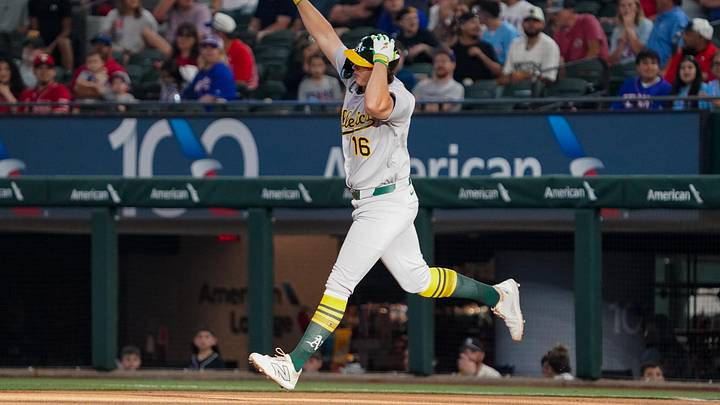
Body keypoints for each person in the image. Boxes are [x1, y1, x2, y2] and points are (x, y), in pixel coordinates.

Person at [248, 0, 524, 390]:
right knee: (419, 281)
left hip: (386, 201)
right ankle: (497, 296)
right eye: (358, 63)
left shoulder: (400, 96)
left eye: (364, 64)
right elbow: (324, 33)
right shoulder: (356, 77)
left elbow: (377, 104)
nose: (354, 67)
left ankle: (293, 363)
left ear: (382, 67)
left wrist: (379, 64)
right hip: (374, 199)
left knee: (340, 283)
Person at [500, 6, 560, 84]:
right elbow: (506, 73)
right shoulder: (515, 43)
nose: (531, 24)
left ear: (543, 24)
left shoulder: (550, 45)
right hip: (515, 91)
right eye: (527, 21)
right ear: (522, 24)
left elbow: (549, 78)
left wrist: (525, 75)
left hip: (541, 93)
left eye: (535, 21)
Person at [102, 0, 172, 59]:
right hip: (117, 51)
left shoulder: (146, 16)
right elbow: (104, 38)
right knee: (104, 45)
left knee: (148, 33)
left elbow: (155, 40)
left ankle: (174, 57)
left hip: (139, 53)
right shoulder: (113, 14)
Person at [209, 12, 259, 91]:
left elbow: (242, 83)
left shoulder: (242, 51)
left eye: (212, 31)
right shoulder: (214, 49)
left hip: (241, 96)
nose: (209, 34)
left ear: (220, 34)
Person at [71, 34, 126, 101]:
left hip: (105, 106)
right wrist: (95, 91)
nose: (98, 47)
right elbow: (76, 89)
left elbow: (116, 92)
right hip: (83, 106)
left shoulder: (117, 69)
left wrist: (87, 90)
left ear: (110, 48)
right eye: (95, 45)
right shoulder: (82, 69)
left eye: (102, 45)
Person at [182, 35, 237, 102]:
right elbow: (187, 94)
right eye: (205, 46)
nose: (208, 50)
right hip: (199, 110)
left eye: (213, 47)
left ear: (220, 52)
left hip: (217, 111)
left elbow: (213, 98)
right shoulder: (202, 72)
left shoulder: (222, 71)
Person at [452, 12, 501, 84]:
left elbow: (498, 71)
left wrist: (481, 55)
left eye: (479, 23)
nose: (478, 26)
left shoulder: (486, 46)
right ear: (462, 26)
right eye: (473, 23)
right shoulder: (454, 50)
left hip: (483, 90)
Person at [663, 18, 716, 84]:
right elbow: (668, 80)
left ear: (701, 38)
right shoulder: (682, 53)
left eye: (688, 34)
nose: (684, 38)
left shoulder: (715, 57)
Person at [28, 0, 73, 70]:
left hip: (58, 41)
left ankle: (68, 73)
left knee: (65, 42)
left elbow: (67, 30)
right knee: (29, 42)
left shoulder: (64, 2)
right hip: (41, 39)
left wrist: (50, 47)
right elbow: (34, 27)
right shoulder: (33, 2)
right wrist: (32, 42)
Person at [608, 0, 653, 66]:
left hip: (639, 68)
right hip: (620, 69)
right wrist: (622, 43)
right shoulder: (617, 30)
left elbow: (641, 54)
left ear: (637, 7)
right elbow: (611, 60)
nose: (627, 8)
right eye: (623, 6)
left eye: (630, 5)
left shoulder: (646, 24)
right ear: (619, 9)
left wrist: (629, 30)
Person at [645, 0, 688, 68]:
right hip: (651, 68)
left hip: (664, 71)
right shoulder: (660, 17)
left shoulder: (678, 18)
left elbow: (678, 50)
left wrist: (666, 71)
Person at [478, 0, 519, 66]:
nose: (478, 15)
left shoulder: (509, 32)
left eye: (479, 12)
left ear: (486, 14)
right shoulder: (483, 33)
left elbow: (512, 59)